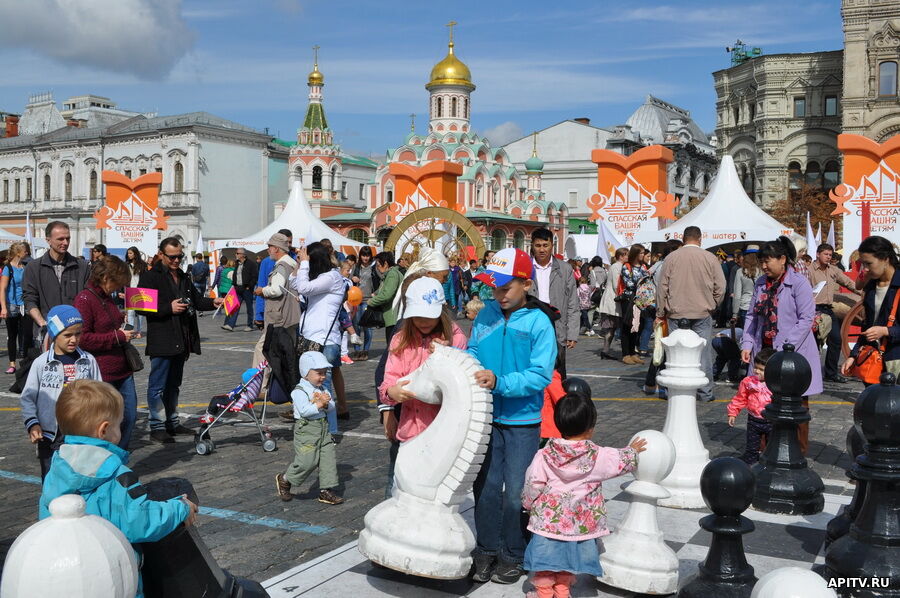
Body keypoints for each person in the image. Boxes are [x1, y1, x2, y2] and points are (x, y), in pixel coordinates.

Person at [40, 379, 197, 597]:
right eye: (119, 425)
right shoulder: (115, 474)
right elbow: (140, 520)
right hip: (113, 578)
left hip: (70, 576)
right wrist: (180, 508)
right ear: (104, 430)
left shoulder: (57, 469)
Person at [467, 248, 558, 585]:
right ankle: (486, 549)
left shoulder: (539, 322)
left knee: (518, 491)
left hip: (524, 421)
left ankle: (513, 553)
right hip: (486, 417)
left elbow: (540, 374)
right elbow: (472, 351)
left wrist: (500, 382)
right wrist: (468, 367)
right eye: (494, 288)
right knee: (487, 487)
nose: (499, 295)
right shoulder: (485, 316)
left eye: (506, 288)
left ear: (526, 284)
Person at [522, 393, 646, 598]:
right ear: (590, 428)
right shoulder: (599, 455)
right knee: (568, 562)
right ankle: (563, 591)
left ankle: (543, 593)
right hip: (579, 523)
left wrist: (528, 504)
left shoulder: (544, 454)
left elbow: (533, 483)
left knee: (545, 563)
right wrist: (632, 451)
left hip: (547, 523)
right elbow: (622, 461)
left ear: (558, 423)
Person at [379, 277, 467, 491]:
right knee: (401, 487)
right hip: (409, 430)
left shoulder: (455, 338)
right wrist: (391, 392)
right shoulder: (400, 339)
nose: (423, 321)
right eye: (417, 316)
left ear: (441, 311)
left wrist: (447, 353)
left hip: (444, 434)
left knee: (436, 491)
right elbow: (389, 378)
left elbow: (462, 382)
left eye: (429, 316)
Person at [741, 236, 821, 454]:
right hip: (763, 352)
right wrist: (747, 343)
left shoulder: (798, 283)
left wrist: (786, 348)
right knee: (762, 399)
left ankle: (798, 450)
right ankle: (763, 449)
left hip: (793, 353)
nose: (764, 266)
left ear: (782, 259)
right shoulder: (760, 283)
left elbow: (806, 318)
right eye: (762, 262)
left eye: (767, 261)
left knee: (797, 402)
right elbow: (752, 316)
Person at [140, 237, 223, 444]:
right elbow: (140, 306)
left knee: (174, 384)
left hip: (182, 338)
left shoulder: (184, 276)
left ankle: (172, 422)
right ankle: (157, 426)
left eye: (180, 256)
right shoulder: (150, 276)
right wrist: (168, 308)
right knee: (158, 385)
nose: (176, 260)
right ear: (161, 255)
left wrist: (213, 302)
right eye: (172, 257)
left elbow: (196, 300)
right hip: (162, 338)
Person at [20, 305, 101, 478]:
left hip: (81, 433)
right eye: (67, 335)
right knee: (51, 478)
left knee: (79, 477)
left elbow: (100, 394)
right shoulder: (41, 363)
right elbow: (28, 397)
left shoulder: (89, 361)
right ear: (54, 334)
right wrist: (33, 423)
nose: (74, 339)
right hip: (50, 435)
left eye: (78, 334)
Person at [74, 255, 140, 449]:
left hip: (122, 369)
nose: (119, 287)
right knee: (104, 422)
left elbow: (107, 324)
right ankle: (105, 457)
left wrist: (120, 321)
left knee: (129, 416)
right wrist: (118, 336)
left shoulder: (107, 298)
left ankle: (119, 455)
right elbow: (83, 339)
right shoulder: (85, 299)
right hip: (102, 372)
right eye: (117, 282)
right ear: (105, 277)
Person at [656, 226, 725, 402]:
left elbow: (662, 287)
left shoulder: (672, 258)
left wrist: (661, 311)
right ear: (700, 239)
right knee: (703, 352)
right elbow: (721, 286)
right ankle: (705, 392)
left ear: (683, 238)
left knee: (676, 353)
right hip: (702, 311)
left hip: (676, 312)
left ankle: (675, 388)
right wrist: (713, 304)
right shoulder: (710, 257)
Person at [292, 241, 351, 427]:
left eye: (307, 260)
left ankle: (330, 429)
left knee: (323, 388)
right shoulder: (321, 277)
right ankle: (319, 426)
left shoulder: (332, 277)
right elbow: (294, 283)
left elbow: (304, 288)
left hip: (324, 340)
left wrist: (304, 264)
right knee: (313, 385)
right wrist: (300, 264)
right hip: (313, 337)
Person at [274, 351, 344, 505]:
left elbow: (332, 407)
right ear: (306, 373)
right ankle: (285, 479)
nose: (323, 377)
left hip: (323, 428)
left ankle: (326, 490)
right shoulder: (299, 391)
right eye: (319, 373)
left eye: (324, 373)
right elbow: (304, 411)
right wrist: (319, 404)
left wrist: (327, 404)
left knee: (328, 459)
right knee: (307, 461)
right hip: (307, 430)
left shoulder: (322, 389)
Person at [841, 235, 900, 382]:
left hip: (895, 361)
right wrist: (853, 355)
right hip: (872, 363)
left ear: (885, 259)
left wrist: (886, 331)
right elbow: (867, 326)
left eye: (868, 263)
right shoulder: (871, 287)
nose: (865, 269)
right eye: (863, 264)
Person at [22, 221, 90, 346]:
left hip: (75, 334)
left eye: (68, 238)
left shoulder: (82, 267)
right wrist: (43, 323)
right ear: (48, 240)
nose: (65, 243)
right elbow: (29, 300)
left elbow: (88, 299)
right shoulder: (33, 267)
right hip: (47, 333)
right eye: (60, 239)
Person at [530, 228, 579, 376]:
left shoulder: (565, 269)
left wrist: (572, 333)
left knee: (558, 371)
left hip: (556, 324)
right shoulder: (525, 268)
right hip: (530, 323)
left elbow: (572, 303)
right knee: (531, 368)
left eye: (545, 245)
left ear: (552, 245)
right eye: (538, 245)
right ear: (532, 246)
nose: (542, 250)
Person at [808, 242, 860, 383]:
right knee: (813, 342)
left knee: (836, 339)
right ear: (818, 254)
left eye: (830, 255)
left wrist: (863, 293)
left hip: (828, 310)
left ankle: (830, 373)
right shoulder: (809, 270)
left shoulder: (834, 270)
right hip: (813, 309)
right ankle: (810, 372)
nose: (828, 257)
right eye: (825, 254)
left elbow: (848, 283)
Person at [642, 239, 683, 398]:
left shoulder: (658, 265)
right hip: (665, 311)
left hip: (661, 309)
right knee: (665, 348)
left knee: (662, 347)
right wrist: (661, 313)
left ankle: (651, 382)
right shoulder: (666, 266)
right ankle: (660, 384)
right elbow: (664, 290)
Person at [727, 348, 775, 464]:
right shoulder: (748, 382)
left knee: (772, 449)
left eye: (761, 369)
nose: (757, 371)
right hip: (753, 421)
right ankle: (749, 465)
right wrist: (733, 413)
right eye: (755, 367)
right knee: (751, 448)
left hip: (772, 422)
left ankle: (770, 467)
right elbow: (740, 398)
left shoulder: (776, 384)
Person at [0, 242, 34, 373]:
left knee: (27, 334)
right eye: (25, 251)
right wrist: (4, 308)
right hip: (12, 306)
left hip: (25, 305)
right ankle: (12, 363)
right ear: (18, 253)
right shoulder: (8, 268)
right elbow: (2, 289)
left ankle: (25, 361)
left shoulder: (25, 266)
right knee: (12, 335)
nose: (27, 252)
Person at [254, 228, 294, 328]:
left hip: (287, 312)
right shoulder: (267, 261)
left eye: (290, 242)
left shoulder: (294, 260)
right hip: (275, 311)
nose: (288, 245)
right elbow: (262, 285)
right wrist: (259, 313)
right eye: (286, 242)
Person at [618, 244, 648, 365]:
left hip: (641, 300)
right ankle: (626, 354)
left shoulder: (643, 266)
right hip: (629, 300)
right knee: (627, 326)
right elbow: (629, 283)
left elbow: (647, 281)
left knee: (637, 326)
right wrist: (642, 283)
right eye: (641, 253)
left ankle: (633, 352)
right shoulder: (627, 266)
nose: (643, 255)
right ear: (635, 254)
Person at [598, 248, 628, 360]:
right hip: (612, 301)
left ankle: (605, 350)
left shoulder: (617, 266)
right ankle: (605, 351)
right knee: (611, 327)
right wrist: (624, 295)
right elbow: (617, 285)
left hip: (613, 300)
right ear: (621, 256)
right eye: (626, 255)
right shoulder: (617, 267)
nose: (628, 257)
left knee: (612, 328)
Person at [367, 251, 404, 343]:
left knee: (392, 345)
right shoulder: (391, 273)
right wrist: (375, 294)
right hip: (392, 317)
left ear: (386, 264)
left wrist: (372, 301)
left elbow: (387, 294)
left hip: (393, 317)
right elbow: (384, 289)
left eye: (379, 265)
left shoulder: (392, 274)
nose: (377, 268)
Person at [222, 247, 259, 332]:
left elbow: (255, 276)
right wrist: (234, 285)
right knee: (235, 307)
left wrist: (249, 286)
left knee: (249, 308)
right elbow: (236, 275)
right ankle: (230, 325)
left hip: (247, 289)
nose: (236, 255)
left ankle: (250, 325)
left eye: (237, 253)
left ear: (243, 255)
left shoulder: (251, 264)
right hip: (237, 288)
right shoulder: (237, 263)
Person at [350, 246, 375, 361]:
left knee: (367, 327)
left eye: (367, 255)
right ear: (360, 256)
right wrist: (352, 279)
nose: (365, 258)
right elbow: (348, 279)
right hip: (356, 300)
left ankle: (365, 350)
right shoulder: (356, 267)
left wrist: (376, 293)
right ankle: (357, 350)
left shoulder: (373, 267)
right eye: (363, 255)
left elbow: (379, 281)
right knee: (356, 326)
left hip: (368, 300)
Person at [732, 245, 760, 328]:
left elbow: (737, 294)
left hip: (745, 307)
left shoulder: (740, 272)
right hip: (760, 306)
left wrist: (735, 314)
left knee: (746, 333)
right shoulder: (763, 271)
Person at [125, 247, 147, 338]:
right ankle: (130, 332)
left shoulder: (142, 265)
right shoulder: (126, 265)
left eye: (131, 253)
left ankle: (139, 331)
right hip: (130, 290)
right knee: (130, 313)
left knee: (140, 314)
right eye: (128, 253)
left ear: (135, 254)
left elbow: (145, 277)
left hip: (140, 291)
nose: (129, 255)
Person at [577, 265, 594, 336]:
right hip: (588, 304)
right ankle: (577, 329)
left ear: (580, 282)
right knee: (582, 317)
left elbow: (577, 296)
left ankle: (590, 329)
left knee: (585, 318)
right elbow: (591, 294)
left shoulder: (579, 288)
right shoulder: (588, 288)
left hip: (582, 305)